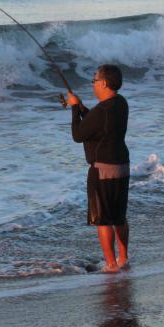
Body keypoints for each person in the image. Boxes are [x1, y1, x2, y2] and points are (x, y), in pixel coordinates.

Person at [67, 64, 130, 272]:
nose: (93, 84)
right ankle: (123, 258)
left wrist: (75, 109)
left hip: (102, 169)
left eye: (94, 80)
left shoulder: (102, 110)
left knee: (103, 220)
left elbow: (78, 135)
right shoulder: (120, 103)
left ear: (103, 83)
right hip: (122, 167)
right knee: (119, 216)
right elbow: (99, 122)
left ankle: (111, 265)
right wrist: (82, 108)